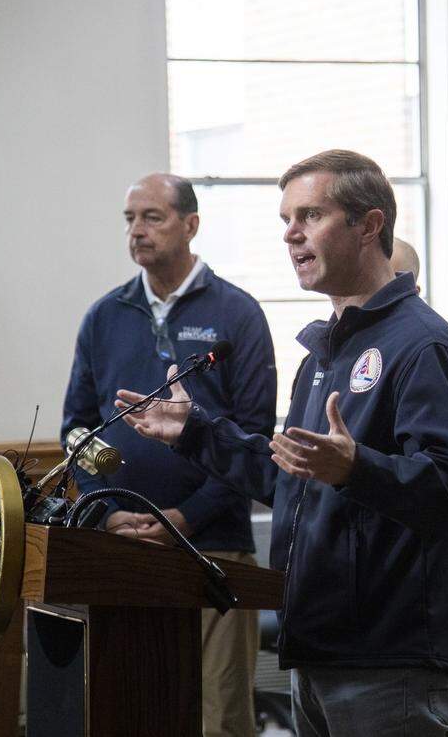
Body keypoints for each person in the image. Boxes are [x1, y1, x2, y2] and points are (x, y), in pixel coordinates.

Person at [115, 150, 448, 737]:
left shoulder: (422, 346)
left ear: (369, 226)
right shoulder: (324, 351)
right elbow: (292, 478)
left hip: (389, 657)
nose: (291, 234)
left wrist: (357, 468)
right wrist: (196, 434)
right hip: (318, 643)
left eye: (310, 215)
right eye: (286, 218)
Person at [62, 172, 276, 737]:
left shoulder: (238, 314)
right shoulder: (104, 316)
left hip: (213, 548)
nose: (137, 230)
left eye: (152, 217)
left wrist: (184, 518)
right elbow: (79, 430)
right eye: (130, 219)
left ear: (191, 225)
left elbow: (253, 438)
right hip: (120, 547)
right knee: (131, 707)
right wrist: (109, 510)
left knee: (218, 716)